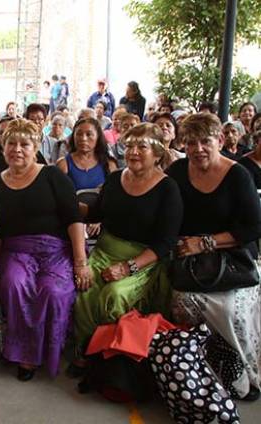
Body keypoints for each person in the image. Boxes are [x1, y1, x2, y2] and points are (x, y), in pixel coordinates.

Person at [71, 123, 183, 375]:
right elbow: (98, 212)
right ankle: (86, 350)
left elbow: (165, 243)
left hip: (143, 259)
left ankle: (113, 358)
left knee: (115, 295)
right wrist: (69, 204)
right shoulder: (114, 178)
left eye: (141, 146)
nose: (133, 151)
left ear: (157, 153)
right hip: (105, 250)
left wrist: (127, 267)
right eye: (129, 145)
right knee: (84, 290)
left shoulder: (168, 189)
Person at [167, 113, 261, 401]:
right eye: (191, 142)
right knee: (182, 301)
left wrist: (206, 243)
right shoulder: (178, 171)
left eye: (205, 141)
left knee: (231, 309)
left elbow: (254, 226)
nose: (198, 149)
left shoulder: (238, 175)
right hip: (188, 258)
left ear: (220, 140)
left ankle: (242, 371)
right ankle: (198, 369)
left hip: (233, 256)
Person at [0, 119, 89, 380]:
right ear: (3, 147)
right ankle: (25, 355)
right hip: (17, 251)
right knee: (13, 284)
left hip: (56, 250)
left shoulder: (53, 175)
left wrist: (80, 262)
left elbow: (74, 219)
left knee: (53, 291)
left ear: (36, 147)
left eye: (25, 144)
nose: (17, 149)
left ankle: (48, 349)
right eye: (12, 143)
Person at [56, 117, 117, 190]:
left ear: (98, 137)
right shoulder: (63, 164)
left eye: (89, 134)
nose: (83, 138)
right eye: (79, 134)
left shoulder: (109, 165)